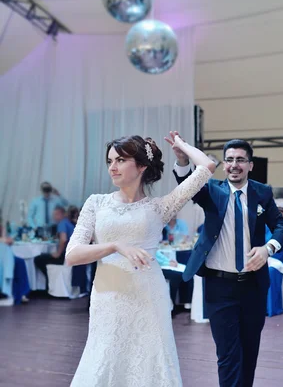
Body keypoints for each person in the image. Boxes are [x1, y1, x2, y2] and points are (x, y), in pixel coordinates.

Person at [64, 133, 215, 386]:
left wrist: (183, 147)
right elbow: (72, 255)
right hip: (108, 297)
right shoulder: (96, 203)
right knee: (104, 357)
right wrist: (114, 245)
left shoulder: (159, 207)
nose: (112, 167)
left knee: (150, 361)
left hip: (148, 297)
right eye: (110, 161)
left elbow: (207, 167)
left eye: (121, 160)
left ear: (142, 166)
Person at [171, 134, 283, 386]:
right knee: (227, 354)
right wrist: (182, 161)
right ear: (224, 164)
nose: (234, 165)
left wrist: (267, 249)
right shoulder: (212, 191)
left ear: (250, 165)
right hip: (219, 286)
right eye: (229, 160)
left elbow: (281, 226)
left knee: (249, 351)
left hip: (253, 286)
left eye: (240, 160)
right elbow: (186, 183)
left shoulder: (263, 193)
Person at [34, 206, 74, 290]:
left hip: (63, 256)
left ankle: (50, 281)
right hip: (70, 255)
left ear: (62, 214)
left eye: (56, 214)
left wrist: (58, 253)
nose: (54, 217)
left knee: (38, 259)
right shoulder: (68, 222)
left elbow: (63, 239)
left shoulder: (62, 223)